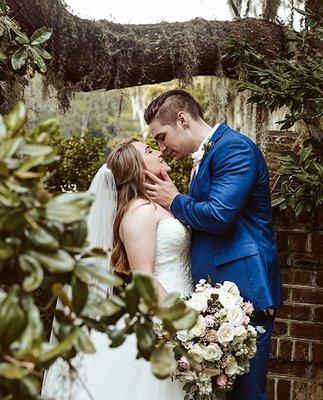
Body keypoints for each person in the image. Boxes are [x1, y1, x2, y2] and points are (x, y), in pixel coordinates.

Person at [143, 89, 283, 400]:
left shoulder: (234, 149)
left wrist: (176, 200)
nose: (161, 148)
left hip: (246, 290)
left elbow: (220, 216)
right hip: (219, 295)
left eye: (162, 136)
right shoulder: (208, 154)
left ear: (182, 119)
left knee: (246, 394)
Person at [41, 138, 194, 400]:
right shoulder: (138, 212)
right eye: (148, 150)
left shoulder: (156, 205)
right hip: (164, 316)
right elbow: (144, 277)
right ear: (137, 169)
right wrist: (185, 321)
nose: (158, 151)